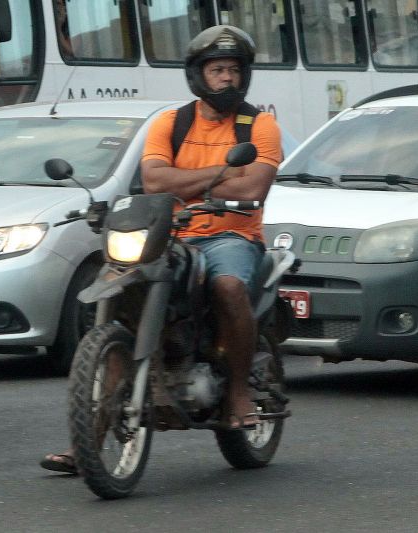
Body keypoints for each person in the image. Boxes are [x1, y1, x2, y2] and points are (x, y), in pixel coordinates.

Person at [40, 25, 282, 475]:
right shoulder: (170, 123)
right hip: (170, 234)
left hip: (232, 235)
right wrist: (218, 176)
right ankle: (88, 443)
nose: (226, 78)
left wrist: (190, 181)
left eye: (233, 70)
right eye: (217, 70)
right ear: (198, 75)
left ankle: (239, 393)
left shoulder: (259, 125)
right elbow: (154, 181)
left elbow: (254, 186)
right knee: (121, 297)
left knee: (228, 286)